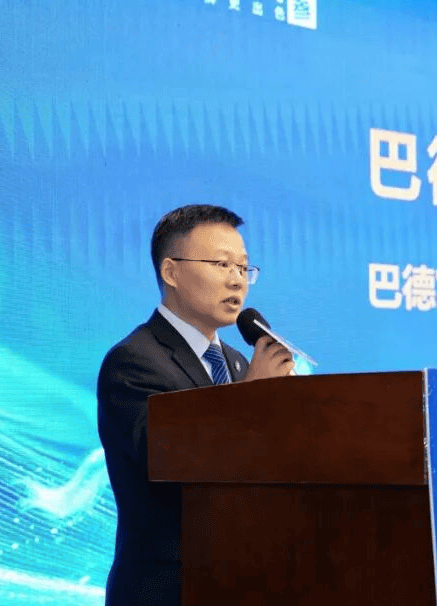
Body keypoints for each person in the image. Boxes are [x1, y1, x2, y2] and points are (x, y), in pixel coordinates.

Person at [96, 204, 294, 605]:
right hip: (168, 588)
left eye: (244, 268)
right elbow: (168, 463)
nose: (237, 279)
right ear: (171, 272)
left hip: (241, 582)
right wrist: (252, 400)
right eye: (221, 264)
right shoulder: (134, 361)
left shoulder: (238, 364)